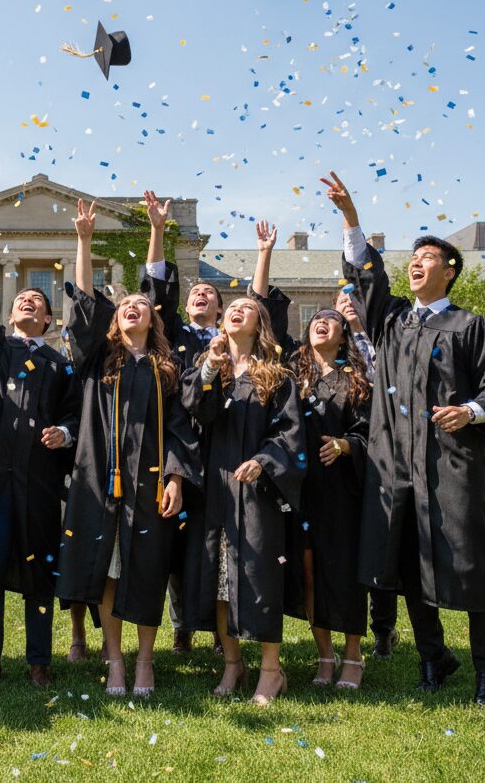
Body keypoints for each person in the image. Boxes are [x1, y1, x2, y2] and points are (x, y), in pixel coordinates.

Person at [322, 170, 485, 706]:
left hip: (451, 464)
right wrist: (351, 217)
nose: (416, 262)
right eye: (412, 258)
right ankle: (432, 659)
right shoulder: (393, 322)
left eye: (429, 257)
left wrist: (472, 409)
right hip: (395, 465)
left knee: (471, 564)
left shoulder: (472, 326)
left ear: (451, 270)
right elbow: (368, 280)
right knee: (408, 564)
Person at [56, 199, 201, 698]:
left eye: (139, 304)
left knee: (146, 570)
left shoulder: (167, 367)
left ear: (152, 317)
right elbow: (84, 307)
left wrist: (177, 478)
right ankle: (115, 662)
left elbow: (182, 426)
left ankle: (145, 662)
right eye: (123, 306)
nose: (131, 306)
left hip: (151, 483)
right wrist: (84, 241)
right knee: (109, 569)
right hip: (101, 481)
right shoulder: (100, 358)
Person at [0, 192, 82, 689]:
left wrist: (65, 433)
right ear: (9, 316)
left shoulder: (58, 364)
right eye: (22, 299)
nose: (28, 300)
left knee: (40, 574)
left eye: (38, 302)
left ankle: (39, 660)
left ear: (49, 322)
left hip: (39, 483)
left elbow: (75, 413)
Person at [250, 221, 371, 690]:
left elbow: (371, 434)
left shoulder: (356, 381)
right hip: (300, 488)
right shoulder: (292, 376)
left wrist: (345, 444)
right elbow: (260, 311)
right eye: (316, 319)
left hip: (341, 486)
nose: (323, 322)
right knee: (306, 569)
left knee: (341, 567)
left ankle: (354, 655)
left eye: (333, 321)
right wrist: (265, 254)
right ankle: (324, 656)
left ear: (344, 336)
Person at [180, 287, 305, 706]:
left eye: (245, 307)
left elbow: (290, 433)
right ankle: (233, 664)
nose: (236, 311)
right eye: (230, 308)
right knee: (218, 577)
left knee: (259, 574)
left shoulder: (276, 374)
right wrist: (212, 369)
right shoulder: (208, 366)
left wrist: (265, 460)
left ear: (260, 323)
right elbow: (197, 411)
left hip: (256, 493)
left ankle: (272, 671)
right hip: (215, 487)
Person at [138, 190, 222, 656]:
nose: (200, 295)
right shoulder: (174, 337)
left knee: (211, 536)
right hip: (177, 441)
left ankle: (212, 624)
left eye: (208, 292)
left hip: (224, 443)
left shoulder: (231, 339)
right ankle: (180, 624)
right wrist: (156, 232)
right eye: (194, 293)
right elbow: (155, 292)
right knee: (176, 531)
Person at [335, 286, 400, 658]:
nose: (348, 303)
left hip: (386, 450)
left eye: (354, 297)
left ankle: (383, 628)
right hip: (346, 452)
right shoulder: (330, 349)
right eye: (340, 300)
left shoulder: (384, 341)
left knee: (381, 541)